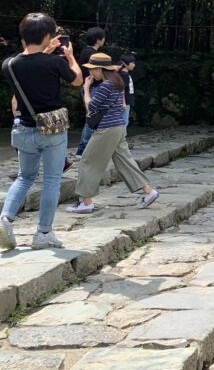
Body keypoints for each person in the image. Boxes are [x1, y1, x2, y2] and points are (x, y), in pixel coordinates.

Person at [1, 13, 83, 250]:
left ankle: (5, 219)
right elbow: (77, 80)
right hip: (52, 131)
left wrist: (46, 50)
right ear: (47, 36)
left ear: (23, 35)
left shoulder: (9, 65)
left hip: (23, 130)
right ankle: (43, 233)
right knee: (51, 180)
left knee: (25, 177)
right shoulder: (56, 63)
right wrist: (70, 56)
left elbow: (31, 65)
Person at [66, 53, 158, 214]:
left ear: (100, 69)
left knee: (87, 161)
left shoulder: (106, 85)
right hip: (119, 127)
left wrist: (86, 89)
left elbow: (92, 106)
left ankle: (86, 202)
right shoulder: (117, 82)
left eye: (92, 69)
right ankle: (149, 192)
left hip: (107, 129)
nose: (91, 73)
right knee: (125, 161)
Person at [73, 26, 107, 159]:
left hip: (91, 87)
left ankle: (87, 149)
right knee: (92, 119)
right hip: (92, 87)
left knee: (94, 119)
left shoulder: (86, 51)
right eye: (103, 38)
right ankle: (82, 150)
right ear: (99, 39)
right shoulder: (92, 54)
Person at [119, 53, 137, 126]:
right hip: (125, 101)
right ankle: (121, 137)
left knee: (124, 121)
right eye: (132, 63)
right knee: (124, 122)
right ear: (126, 64)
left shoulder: (123, 73)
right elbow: (122, 89)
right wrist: (123, 102)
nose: (134, 65)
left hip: (126, 101)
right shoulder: (124, 75)